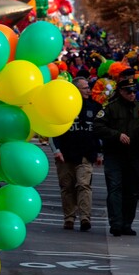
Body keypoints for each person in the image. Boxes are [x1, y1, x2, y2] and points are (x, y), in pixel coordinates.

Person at [94, 76, 139, 236]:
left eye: (134, 91)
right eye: (128, 91)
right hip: (115, 154)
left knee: (132, 191)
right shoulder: (111, 108)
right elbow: (98, 125)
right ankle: (116, 223)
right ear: (121, 91)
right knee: (115, 189)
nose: (132, 94)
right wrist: (116, 135)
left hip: (134, 155)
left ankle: (127, 223)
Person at [50, 77, 101, 231]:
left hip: (86, 154)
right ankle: (69, 218)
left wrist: (99, 152)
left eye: (88, 87)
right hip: (65, 154)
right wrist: (56, 150)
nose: (89, 90)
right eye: (85, 88)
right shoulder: (63, 107)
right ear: (76, 90)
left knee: (83, 185)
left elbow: (101, 131)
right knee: (67, 187)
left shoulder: (95, 107)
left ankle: (85, 218)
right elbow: (53, 130)